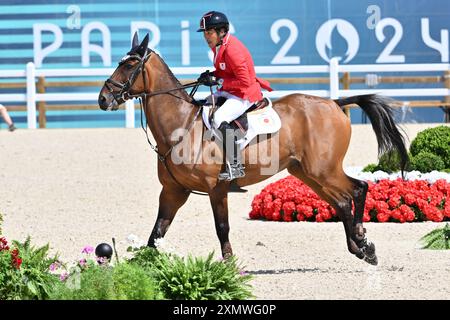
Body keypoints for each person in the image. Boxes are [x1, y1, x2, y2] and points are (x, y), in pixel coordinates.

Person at [197, 11, 272, 181]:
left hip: (245, 94)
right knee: (204, 106)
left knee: (219, 117)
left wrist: (219, 80)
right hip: (231, 91)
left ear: (221, 31)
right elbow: (225, 71)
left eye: (209, 33)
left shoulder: (233, 50)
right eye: (205, 33)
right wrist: (212, 75)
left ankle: (236, 165)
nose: (206, 37)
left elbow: (245, 81)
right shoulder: (217, 45)